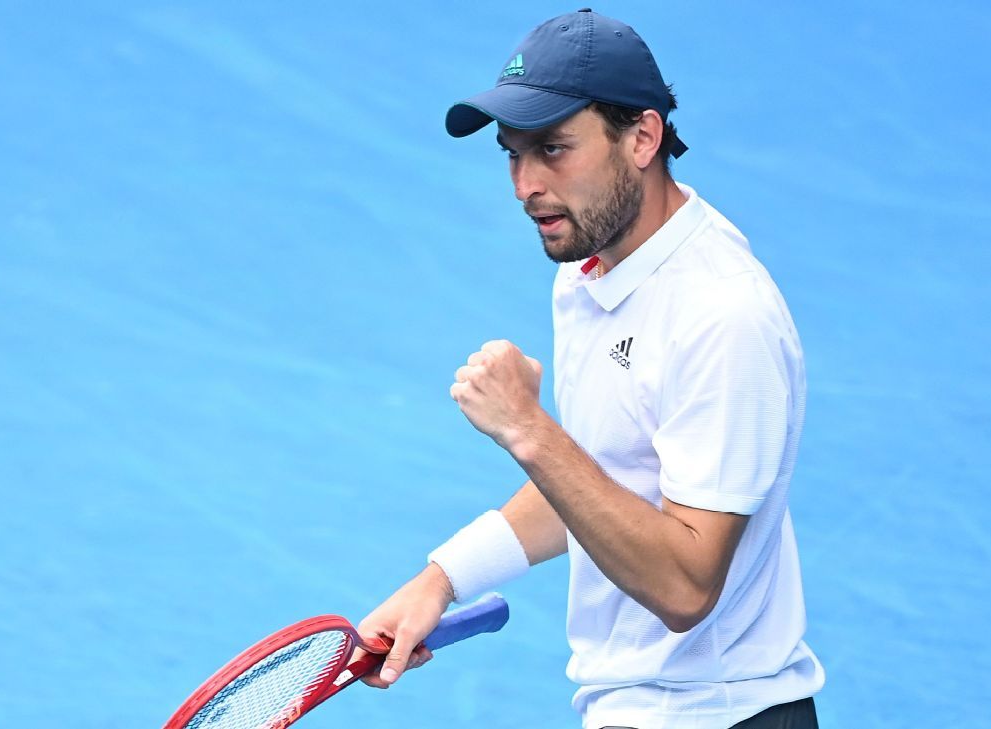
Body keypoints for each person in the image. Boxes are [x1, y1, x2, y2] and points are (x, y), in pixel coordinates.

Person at [353, 9, 824, 728]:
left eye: (553, 149)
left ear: (642, 137)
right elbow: (601, 480)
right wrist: (442, 579)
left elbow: (685, 585)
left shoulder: (724, 317)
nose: (525, 185)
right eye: (512, 154)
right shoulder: (589, 269)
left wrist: (531, 432)